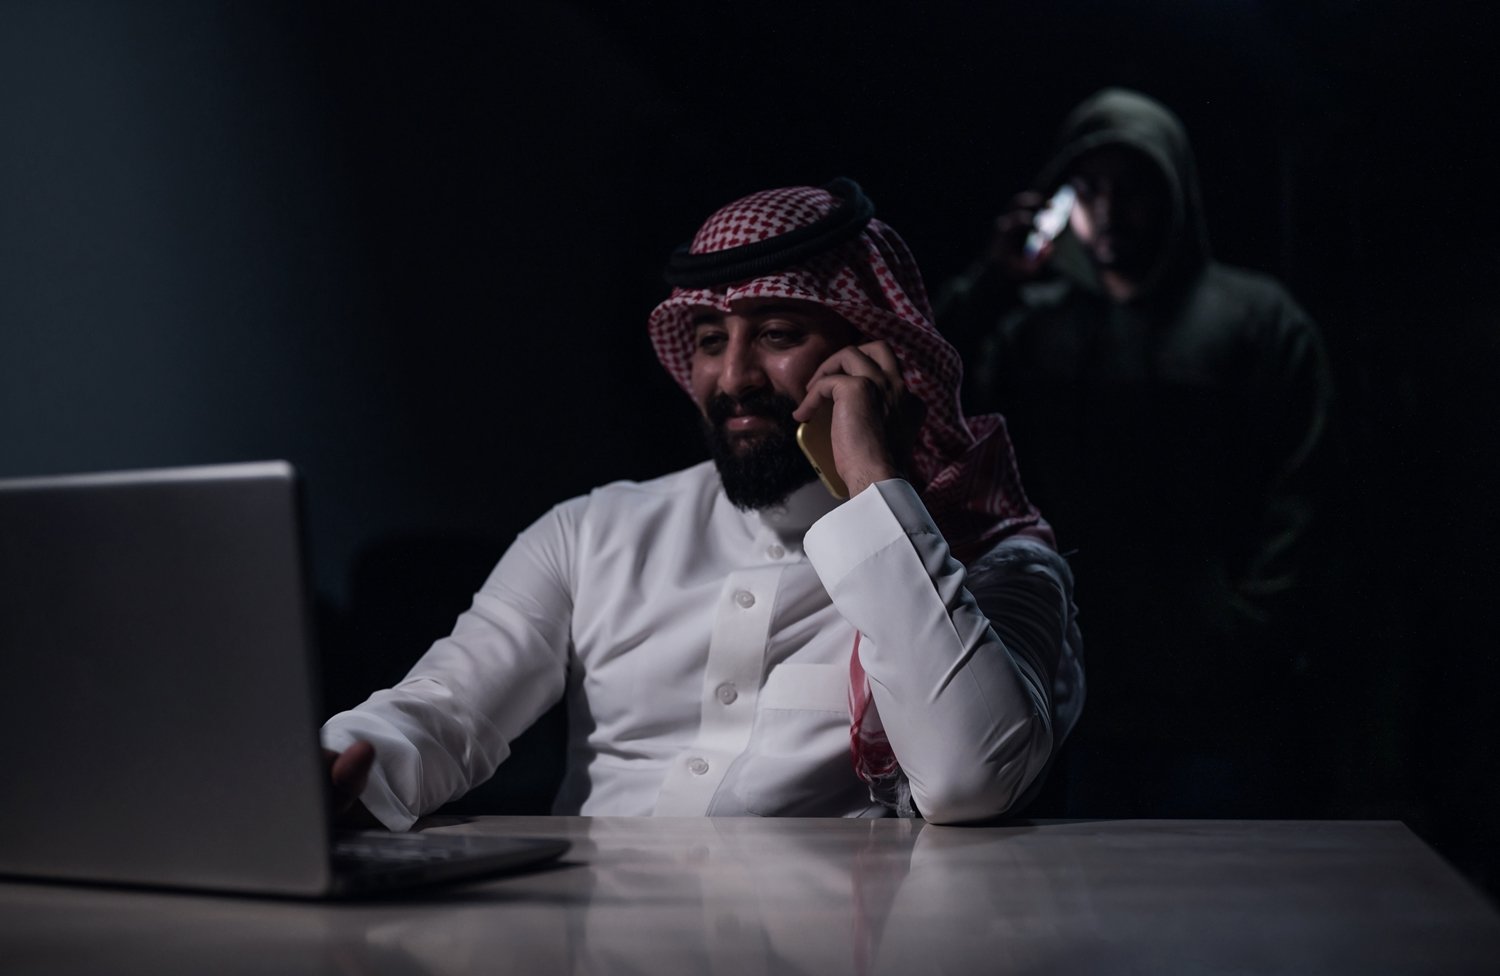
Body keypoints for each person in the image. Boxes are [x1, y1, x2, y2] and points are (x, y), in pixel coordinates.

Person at [322, 178, 1083, 828]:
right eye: (712, 341)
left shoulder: (996, 561)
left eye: (777, 334)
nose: (735, 377)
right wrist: (324, 770)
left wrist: (876, 488)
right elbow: (444, 710)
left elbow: (972, 779)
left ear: (872, 355)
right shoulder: (590, 533)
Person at [937, 89, 1333, 816]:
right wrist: (992, 282)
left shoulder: (1257, 322)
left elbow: (1306, 488)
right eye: (1090, 188)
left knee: (1218, 876)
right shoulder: (1032, 330)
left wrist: (1251, 629)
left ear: (1175, 191)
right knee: (1074, 882)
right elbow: (927, 402)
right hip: (1068, 688)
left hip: (1215, 698)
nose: (1111, 210)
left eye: (1134, 187)